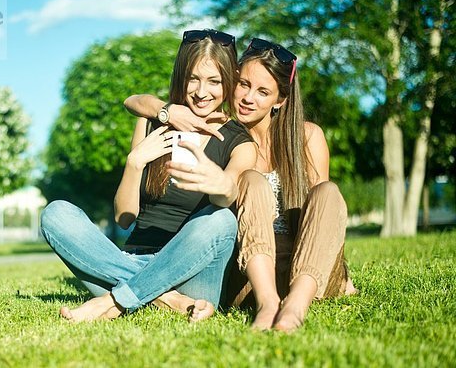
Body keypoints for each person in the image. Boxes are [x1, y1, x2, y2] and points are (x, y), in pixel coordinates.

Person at [125, 37, 357, 332]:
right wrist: (168, 110)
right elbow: (134, 101)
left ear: (280, 100)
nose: (248, 98)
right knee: (251, 180)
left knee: (328, 192)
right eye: (243, 84)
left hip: (304, 270)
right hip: (250, 274)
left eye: (263, 91)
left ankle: (295, 308)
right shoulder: (222, 134)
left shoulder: (308, 137)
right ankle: (268, 303)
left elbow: (322, 221)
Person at [40, 29, 257, 322]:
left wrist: (219, 184)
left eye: (214, 81)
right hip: (131, 259)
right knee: (56, 213)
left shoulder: (239, 142)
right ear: (181, 76)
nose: (202, 91)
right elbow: (124, 218)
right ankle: (165, 299)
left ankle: (116, 299)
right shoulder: (154, 123)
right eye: (193, 78)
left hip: (192, 272)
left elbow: (228, 192)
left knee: (222, 219)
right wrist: (135, 161)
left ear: (229, 80)